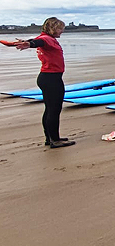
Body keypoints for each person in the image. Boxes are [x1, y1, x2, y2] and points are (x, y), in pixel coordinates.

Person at [9, 17, 75, 148]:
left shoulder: (46, 38)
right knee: (54, 110)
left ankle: (50, 138)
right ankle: (55, 140)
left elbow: (37, 41)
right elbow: (39, 42)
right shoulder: (47, 39)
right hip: (51, 79)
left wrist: (27, 42)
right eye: (60, 28)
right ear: (53, 28)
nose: (62, 31)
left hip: (47, 78)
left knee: (50, 109)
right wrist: (29, 44)